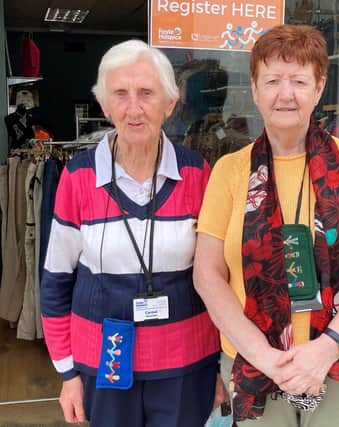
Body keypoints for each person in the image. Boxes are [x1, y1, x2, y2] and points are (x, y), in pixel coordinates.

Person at [194, 24, 339, 426]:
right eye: (271, 80)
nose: (285, 93)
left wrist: (326, 348)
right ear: (255, 89)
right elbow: (207, 274)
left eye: (299, 80)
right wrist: (265, 357)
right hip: (257, 366)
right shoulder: (230, 171)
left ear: (319, 87)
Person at [40, 39, 226, 427]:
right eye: (120, 94)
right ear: (105, 105)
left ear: (169, 104)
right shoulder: (78, 177)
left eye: (146, 93)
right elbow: (56, 281)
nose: (134, 108)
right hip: (104, 364)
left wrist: (221, 367)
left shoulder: (198, 174)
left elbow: (219, 280)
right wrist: (68, 374)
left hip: (187, 365)